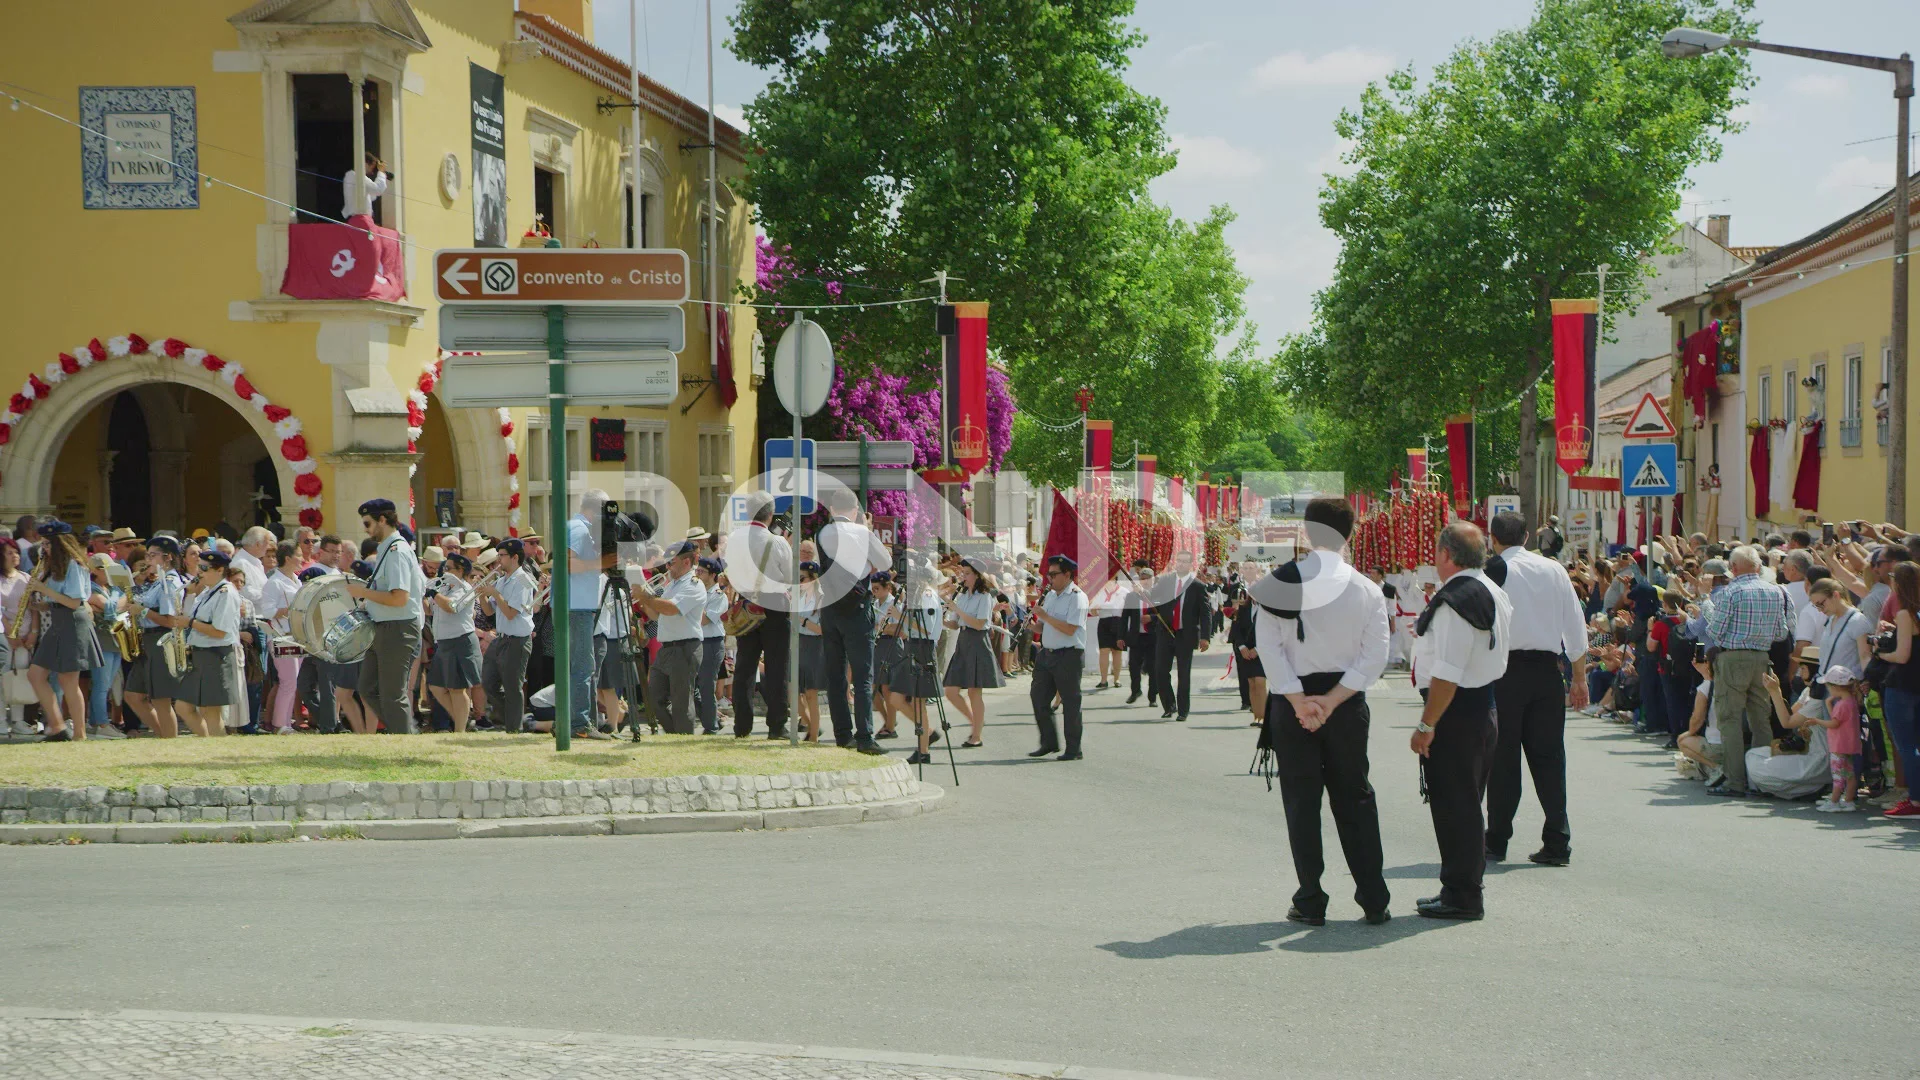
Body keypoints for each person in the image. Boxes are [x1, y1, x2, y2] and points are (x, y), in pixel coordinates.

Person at [1251, 497, 1392, 927]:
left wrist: (1298, 701)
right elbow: (1376, 656)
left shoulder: (1281, 582)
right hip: (1345, 703)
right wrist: (1331, 701)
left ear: (1307, 533)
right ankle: (1374, 899)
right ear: (1350, 534)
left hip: (1295, 703)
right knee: (1356, 798)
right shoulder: (1367, 588)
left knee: (1302, 802)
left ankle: (1311, 899)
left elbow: (1268, 647)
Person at [1409, 521, 1512, 921]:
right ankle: (1458, 887)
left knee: (1456, 807)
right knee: (1465, 804)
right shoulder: (1492, 590)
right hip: (1483, 706)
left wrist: (1425, 724)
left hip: (1458, 711)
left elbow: (1448, 671)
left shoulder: (1457, 599)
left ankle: (1463, 895)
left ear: (1446, 555)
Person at [1483, 512, 1588, 868]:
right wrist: (1579, 678)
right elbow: (1575, 625)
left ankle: (1496, 840)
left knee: (1503, 760)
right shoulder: (1554, 569)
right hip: (1546, 671)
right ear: (1527, 536)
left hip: (1504, 672)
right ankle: (1558, 841)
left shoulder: (1492, 570)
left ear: (1492, 538)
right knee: (1549, 759)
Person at [1704, 546, 1795, 798]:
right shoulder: (1775, 591)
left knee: (1730, 719)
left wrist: (1707, 607)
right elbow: (1781, 633)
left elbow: (1715, 631)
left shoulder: (1730, 592)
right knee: (1760, 718)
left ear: (1733, 568)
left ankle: (1735, 781)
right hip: (1762, 658)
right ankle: (1761, 780)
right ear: (1757, 566)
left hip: (1733, 657)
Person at [814, 489, 893, 753]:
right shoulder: (862, 532)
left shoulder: (822, 534)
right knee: (862, 676)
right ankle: (865, 736)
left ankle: (842, 734)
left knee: (835, 676)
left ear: (832, 509)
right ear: (856, 511)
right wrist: (866, 532)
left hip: (830, 609)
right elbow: (885, 562)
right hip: (857, 609)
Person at [345, 498, 426, 735]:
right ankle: (403, 731)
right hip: (383, 626)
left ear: (383, 520)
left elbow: (399, 598)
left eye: (368, 523)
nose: (366, 529)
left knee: (392, 693)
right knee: (367, 688)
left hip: (398, 628)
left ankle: (404, 740)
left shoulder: (397, 551)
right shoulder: (387, 549)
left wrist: (363, 593)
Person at [24, 522, 106, 742]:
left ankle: (79, 733)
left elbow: (75, 601)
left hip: (73, 622)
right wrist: (42, 604)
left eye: (48, 544)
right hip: (59, 621)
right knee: (35, 674)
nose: (44, 549)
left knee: (68, 680)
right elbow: (61, 601)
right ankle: (58, 725)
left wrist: (43, 589)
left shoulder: (76, 564)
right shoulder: (55, 566)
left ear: (60, 544)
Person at [727, 493, 792, 740]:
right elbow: (788, 577)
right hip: (773, 603)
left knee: (744, 667)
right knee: (776, 667)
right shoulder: (776, 542)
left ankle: (742, 725)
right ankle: (777, 725)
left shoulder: (734, 540)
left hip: (746, 601)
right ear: (770, 514)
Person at [562, 490, 622, 740]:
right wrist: (604, 562)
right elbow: (568, 563)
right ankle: (578, 724)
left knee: (584, 666)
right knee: (584, 666)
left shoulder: (579, 527)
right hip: (576, 605)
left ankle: (582, 721)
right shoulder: (579, 528)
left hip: (579, 603)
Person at [634, 541, 706, 736]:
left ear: (686, 562)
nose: (667, 567)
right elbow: (658, 615)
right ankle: (676, 735)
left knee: (681, 700)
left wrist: (646, 597)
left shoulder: (694, 585)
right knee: (654, 697)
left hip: (685, 647)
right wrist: (641, 600)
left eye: (671, 563)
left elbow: (671, 609)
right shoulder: (672, 584)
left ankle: (683, 738)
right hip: (668, 647)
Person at [172, 550, 241, 739]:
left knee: (211, 711)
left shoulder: (226, 593)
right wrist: (190, 596)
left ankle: (216, 749)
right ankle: (207, 742)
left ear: (219, 570)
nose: (199, 572)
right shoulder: (207, 591)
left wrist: (190, 623)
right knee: (182, 706)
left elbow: (220, 631)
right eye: (198, 567)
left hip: (216, 655)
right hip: (200, 654)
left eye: (204, 568)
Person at [122, 536, 186, 739]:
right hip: (148, 640)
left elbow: (170, 620)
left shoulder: (169, 582)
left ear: (167, 557)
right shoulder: (159, 581)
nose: (148, 559)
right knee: (133, 695)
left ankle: (169, 742)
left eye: (152, 555)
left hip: (161, 640)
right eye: (147, 555)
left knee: (161, 699)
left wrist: (142, 611)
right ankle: (162, 735)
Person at [1029, 554, 1090, 760]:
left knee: (1071, 703)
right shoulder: (1052, 596)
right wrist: (1032, 625)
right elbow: (1044, 626)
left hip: (1068, 655)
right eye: (1049, 575)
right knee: (1038, 698)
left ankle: (1074, 749)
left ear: (1067, 574)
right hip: (1047, 654)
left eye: (1054, 575)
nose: (1050, 579)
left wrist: (1045, 616)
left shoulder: (1077, 597)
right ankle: (1049, 742)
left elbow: (1070, 628)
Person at [1873, 562, 1920, 817]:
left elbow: (1901, 656)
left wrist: (1881, 653)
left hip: (1902, 686)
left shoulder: (1904, 613)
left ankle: (1915, 801)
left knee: (1906, 747)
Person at [943, 556, 1004, 748]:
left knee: (974, 692)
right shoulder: (962, 595)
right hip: (963, 641)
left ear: (978, 576)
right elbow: (955, 624)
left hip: (978, 641)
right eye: (963, 573)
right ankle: (975, 721)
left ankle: (976, 735)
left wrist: (958, 610)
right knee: (951, 691)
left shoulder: (985, 596)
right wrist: (942, 617)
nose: (963, 577)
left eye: (967, 574)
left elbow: (980, 623)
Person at [477, 538, 537, 733]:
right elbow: (488, 612)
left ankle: (514, 727)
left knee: (512, 686)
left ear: (514, 557)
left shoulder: (523, 580)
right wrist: (481, 594)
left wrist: (494, 593)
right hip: (501, 638)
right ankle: (507, 718)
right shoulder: (501, 580)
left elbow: (511, 613)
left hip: (517, 640)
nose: (499, 560)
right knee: (488, 682)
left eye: (502, 556)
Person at [892, 556, 944, 764]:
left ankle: (923, 750)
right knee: (897, 698)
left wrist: (900, 616)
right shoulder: (914, 596)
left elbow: (927, 629)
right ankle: (927, 733)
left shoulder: (928, 596)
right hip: (911, 646)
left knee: (918, 700)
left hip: (922, 648)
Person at [1150, 550, 1210, 721]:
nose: (1181, 564)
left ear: (1191, 565)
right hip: (1165, 632)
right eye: (1179, 561)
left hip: (1186, 634)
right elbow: (1154, 598)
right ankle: (1169, 706)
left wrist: (1205, 637)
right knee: (1161, 671)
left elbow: (1205, 613)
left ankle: (1183, 710)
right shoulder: (1166, 581)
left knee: (1183, 674)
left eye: (1185, 561)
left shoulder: (1197, 586)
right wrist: (1144, 590)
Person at [424, 553, 481, 733]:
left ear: (461, 570)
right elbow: (431, 610)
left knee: (457, 689)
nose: (444, 572)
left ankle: (460, 730)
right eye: (444, 568)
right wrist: (423, 596)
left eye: (449, 568)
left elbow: (451, 607)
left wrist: (434, 593)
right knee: (435, 686)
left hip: (460, 640)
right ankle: (461, 721)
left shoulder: (464, 588)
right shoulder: (446, 588)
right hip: (444, 642)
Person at [257, 541, 304, 734]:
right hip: (280, 636)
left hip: (296, 636)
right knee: (288, 681)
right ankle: (279, 724)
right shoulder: (274, 582)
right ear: (288, 558)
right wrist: (290, 611)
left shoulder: (296, 579)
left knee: (293, 682)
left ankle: (285, 722)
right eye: (299, 555)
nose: (302, 559)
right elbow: (267, 611)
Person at [83, 554, 129, 739]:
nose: (110, 573)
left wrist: (120, 601)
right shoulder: (91, 589)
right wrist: (123, 599)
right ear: (95, 571)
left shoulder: (111, 589)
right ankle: (102, 723)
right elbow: (113, 608)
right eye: (105, 569)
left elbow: (114, 605)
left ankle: (96, 723)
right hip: (101, 642)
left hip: (115, 641)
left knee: (106, 685)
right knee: (101, 685)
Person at [1810, 666, 1863, 812]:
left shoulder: (1842, 704)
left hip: (1839, 745)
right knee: (1849, 774)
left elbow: (1834, 723)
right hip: (1849, 745)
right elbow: (1838, 719)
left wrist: (1817, 721)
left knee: (1838, 775)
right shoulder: (1850, 701)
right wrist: (1828, 703)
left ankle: (1834, 802)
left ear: (1835, 687)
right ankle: (1848, 801)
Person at [694, 556, 728, 735]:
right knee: (691, 687)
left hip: (712, 643)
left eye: (702, 572)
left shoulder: (718, 595)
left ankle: (711, 726)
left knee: (706, 685)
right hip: (696, 641)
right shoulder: (695, 591)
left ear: (713, 575)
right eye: (697, 570)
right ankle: (713, 718)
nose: (697, 574)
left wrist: (690, 606)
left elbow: (704, 620)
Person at [1229, 562, 1266, 728]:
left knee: (1260, 682)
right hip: (1245, 651)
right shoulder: (1244, 609)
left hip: (1261, 651)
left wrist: (1257, 649)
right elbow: (1236, 630)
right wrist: (1242, 647)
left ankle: (1264, 716)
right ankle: (1256, 716)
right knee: (1251, 682)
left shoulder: (1268, 609)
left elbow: (1272, 631)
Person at [794, 561, 825, 741]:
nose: (799, 582)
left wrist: (803, 621)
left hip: (814, 645)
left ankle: (813, 736)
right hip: (798, 643)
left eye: (802, 578)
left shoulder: (821, 598)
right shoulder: (798, 596)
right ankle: (811, 725)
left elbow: (823, 629)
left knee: (811, 693)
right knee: (793, 691)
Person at [1123, 559, 1158, 706]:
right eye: (1141, 579)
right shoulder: (1132, 596)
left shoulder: (1158, 595)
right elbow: (1125, 617)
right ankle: (1135, 690)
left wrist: (1152, 618)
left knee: (1152, 667)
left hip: (1153, 637)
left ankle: (1153, 697)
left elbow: (1166, 615)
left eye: (1146, 579)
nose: (1143, 582)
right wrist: (1121, 636)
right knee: (1134, 666)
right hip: (1136, 636)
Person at [871, 574, 903, 738]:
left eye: (877, 588)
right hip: (877, 645)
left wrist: (883, 627)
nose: (874, 591)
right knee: (874, 687)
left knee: (887, 688)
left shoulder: (895, 603)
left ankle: (890, 727)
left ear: (887, 588)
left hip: (891, 645)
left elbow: (901, 629)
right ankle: (889, 720)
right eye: (873, 588)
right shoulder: (875, 603)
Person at [1091, 575, 1128, 691]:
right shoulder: (1099, 592)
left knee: (1117, 651)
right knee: (1104, 651)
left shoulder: (1124, 591)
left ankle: (1117, 679)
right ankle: (1103, 680)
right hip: (1104, 622)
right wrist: (1094, 609)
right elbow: (1093, 612)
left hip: (1118, 622)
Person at [344, 152, 389, 223]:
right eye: (372, 166)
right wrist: (381, 173)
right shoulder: (357, 176)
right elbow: (378, 190)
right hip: (359, 220)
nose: (372, 171)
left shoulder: (350, 175)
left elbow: (372, 196)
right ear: (364, 163)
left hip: (357, 218)